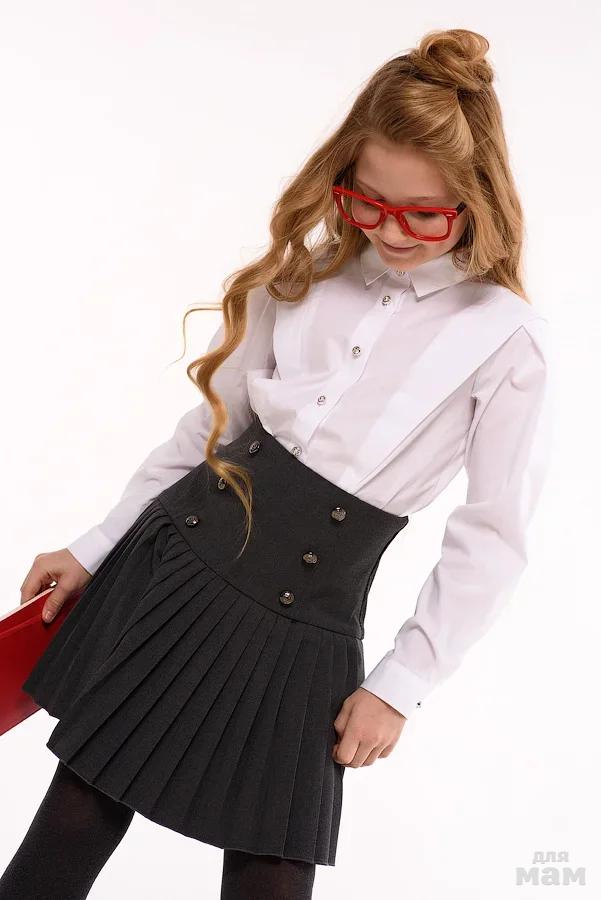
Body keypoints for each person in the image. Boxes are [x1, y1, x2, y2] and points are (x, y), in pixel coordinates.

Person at [0, 27, 554, 900]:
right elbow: (209, 432)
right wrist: (94, 546)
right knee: (74, 819)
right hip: (177, 567)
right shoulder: (302, 277)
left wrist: (402, 683)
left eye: (423, 213)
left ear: (476, 196)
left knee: (271, 871)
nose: (390, 231)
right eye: (367, 203)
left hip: (308, 622)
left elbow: (492, 536)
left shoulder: (506, 342)